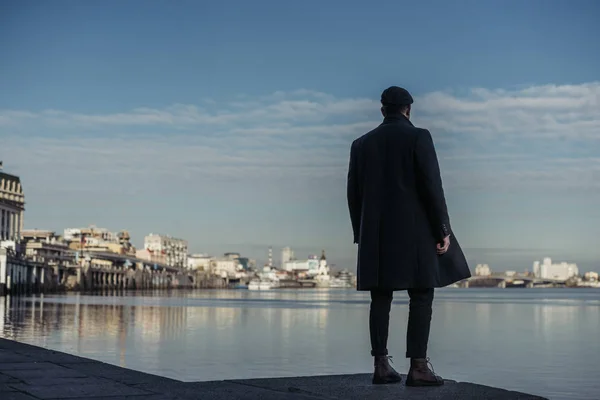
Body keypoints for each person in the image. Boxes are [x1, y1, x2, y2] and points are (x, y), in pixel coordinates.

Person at [346, 86, 471, 386]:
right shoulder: (419, 136)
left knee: (381, 297)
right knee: (422, 294)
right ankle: (418, 367)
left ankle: (380, 365)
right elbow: (432, 186)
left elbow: (353, 194)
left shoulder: (360, 144)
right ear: (408, 110)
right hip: (415, 233)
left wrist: (360, 234)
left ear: (382, 110)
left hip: (375, 234)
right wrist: (443, 229)